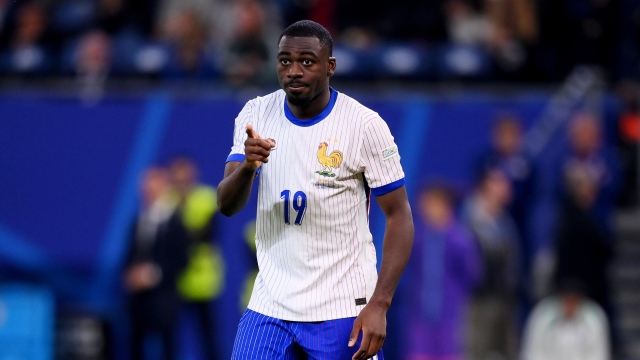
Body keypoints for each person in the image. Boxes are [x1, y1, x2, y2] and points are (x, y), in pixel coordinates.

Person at [216, 20, 414, 360]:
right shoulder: (256, 113)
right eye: (284, 61)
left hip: (340, 307)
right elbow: (227, 204)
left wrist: (379, 304)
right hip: (272, 303)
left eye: (307, 61)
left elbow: (399, 217)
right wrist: (247, 167)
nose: (294, 70)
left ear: (329, 67)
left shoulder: (364, 126)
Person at [405, 184, 481, 360]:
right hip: (420, 316)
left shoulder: (460, 239)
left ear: (445, 206)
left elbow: (471, 274)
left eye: (431, 203)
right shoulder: (417, 237)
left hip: (450, 317)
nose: (425, 208)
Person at [123, 167, 189, 360]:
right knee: (136, 347)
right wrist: (130, 274)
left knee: (167, 347)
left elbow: (181, 260)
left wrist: (154, 274)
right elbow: (130, 255)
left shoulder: (175, 221)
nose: (148, 190)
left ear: (164, 187)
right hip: (138, 301)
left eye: (154, 185)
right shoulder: (139, 221)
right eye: (145, 186)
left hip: (164, 300)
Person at [169, 156, 224, 360]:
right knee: (171, 336)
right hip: (175, 280)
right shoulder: (166, 199)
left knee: (208, 337)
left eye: (186, 172)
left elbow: (207, 235)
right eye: (177, 173)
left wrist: (180, 234)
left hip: (203, 282)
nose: (182, 178)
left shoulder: (207, 197)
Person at [461, 169, 520, 360]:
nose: (506, 189)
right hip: (479, 301)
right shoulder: (469, 217)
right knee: (477, 350)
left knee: (507, 350)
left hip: (504, 298)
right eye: (500, 184)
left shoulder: (505, 220)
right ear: (487, 186)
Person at [521, 280, 610, 360]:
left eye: (573, 300)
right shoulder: (543, 315)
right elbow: (533, 353)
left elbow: (599, 354)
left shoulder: (593, 317)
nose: (570, 305)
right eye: (567, 300)